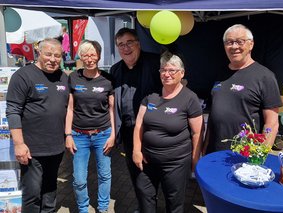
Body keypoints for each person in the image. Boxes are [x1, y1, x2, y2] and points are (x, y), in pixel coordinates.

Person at [132, 51, 203, 213]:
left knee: (174, 201)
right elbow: (139, 125)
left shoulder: (190, 98)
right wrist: (136, 150)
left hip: (175, 163)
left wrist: (195, 159)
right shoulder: (151, 96)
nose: (167, 74)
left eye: (172, 70)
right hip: (147, 159)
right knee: (145, 194)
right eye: (163, 70)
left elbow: (197, 133)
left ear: (182, 73)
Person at [6, 38, 69, 212]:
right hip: (32, 149)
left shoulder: (63, 77)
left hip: (56, 148)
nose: (53, 59)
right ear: (38, 53)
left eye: (57, 55)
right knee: (32, 194)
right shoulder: (23, 75)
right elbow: (13, 110)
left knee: (50, 192)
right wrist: (19, 144)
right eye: (48, 54)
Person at [203, 24, 282, 154]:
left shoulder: (265, 76)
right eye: (229, 42)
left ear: (251, 45)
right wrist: (205, 146)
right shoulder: (220, 74)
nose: (234, 46)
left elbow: (272, 123)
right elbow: (213, 116)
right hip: (214, 152)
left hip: (245, 154)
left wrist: (260, 154)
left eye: (240, 41)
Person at [110, 27, 162, 210]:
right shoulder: (115, 70)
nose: (125, 48)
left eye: (129, 42)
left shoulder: (156, 63)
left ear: (138, 43)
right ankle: (145, 207)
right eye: (121, 44)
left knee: (157, 173)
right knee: (137, 173)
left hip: (154, 131)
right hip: (129, 133)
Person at [65, 40, 115, 213]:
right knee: (79, 179)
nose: (89, 58)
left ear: (99, 56)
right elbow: (70, 108)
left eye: (93, 54)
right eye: (85, 54)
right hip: (79, 135)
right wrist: (68, 135)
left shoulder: (108, 79)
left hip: (103, 134)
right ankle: (83, 208)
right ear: (80, 56)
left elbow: (111, 110)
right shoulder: (73, 77)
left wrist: (113, 135)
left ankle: (102, 208)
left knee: (105, 175)